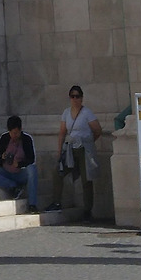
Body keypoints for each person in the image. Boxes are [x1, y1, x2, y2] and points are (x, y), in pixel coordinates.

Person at [56, 84, 102, 220]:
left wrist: (89, 142)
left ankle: (88, 209)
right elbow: (62, 132)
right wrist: (59, 150)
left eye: (77, 96)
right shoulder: (66, 113)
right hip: (70, 148)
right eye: (72, 96)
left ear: (81, 98)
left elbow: (97, 130)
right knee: (58, 172)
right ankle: (56, 201)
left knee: (86, 179)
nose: (75, 99)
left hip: (83, 149)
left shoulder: (87, 113)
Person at [0, 114, 38, 211]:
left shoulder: (27, 139)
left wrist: (19, 164)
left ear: (20, 130)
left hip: (20, 172)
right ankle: (13, 187)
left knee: (32, 169)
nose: (14, 135)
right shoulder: (5, 138)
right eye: (11, 133)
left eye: (16, 133)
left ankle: (32, 204)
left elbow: (31, 159)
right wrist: (2, 157)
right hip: (6, 171)